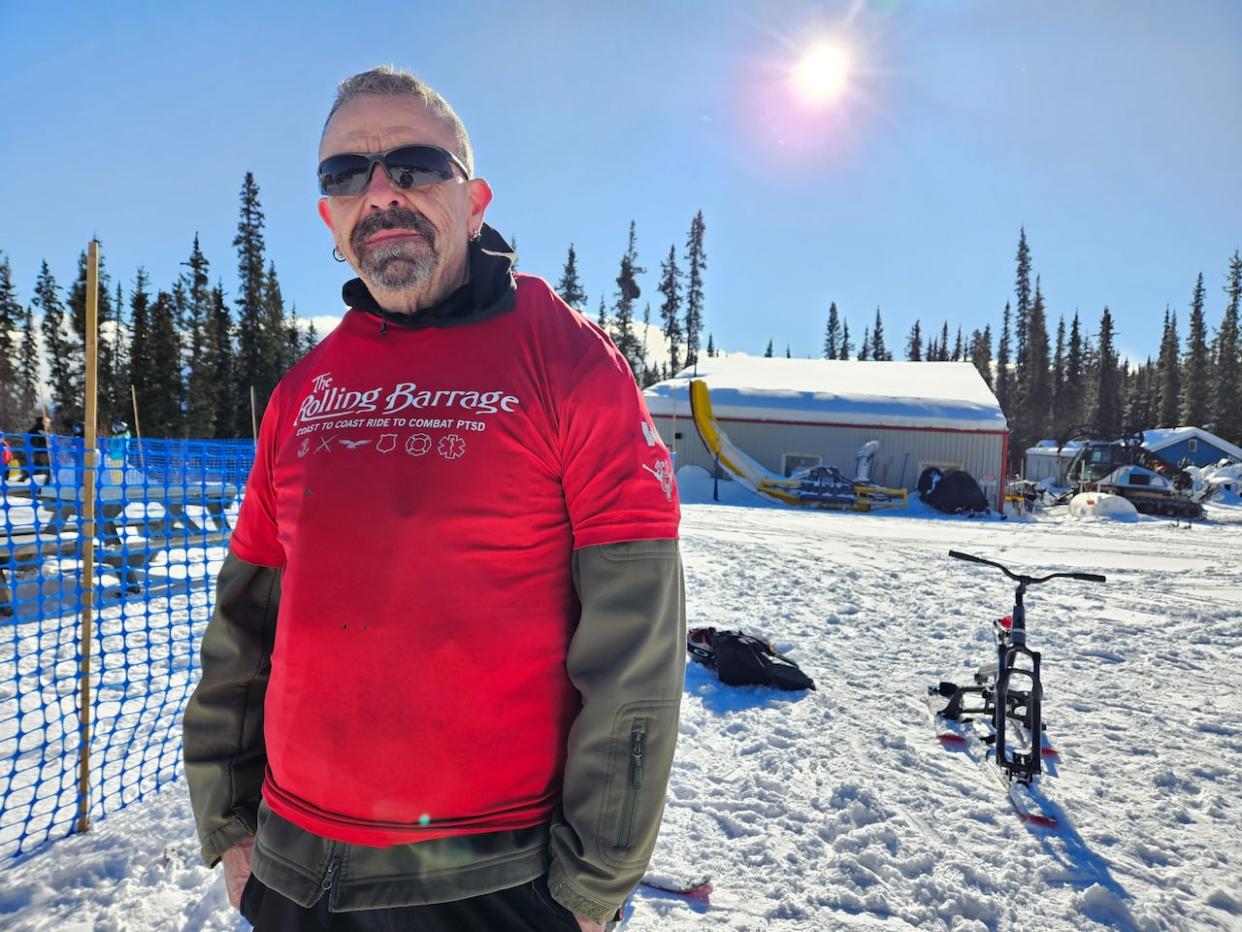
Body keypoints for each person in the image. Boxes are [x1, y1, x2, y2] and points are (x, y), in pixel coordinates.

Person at [183, 66, 685, 932]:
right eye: (347, 175)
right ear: (329, 220)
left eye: (414, 166)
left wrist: (591, 884)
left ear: (476, 199)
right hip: (296, 872)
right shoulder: (303, 391)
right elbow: (243, 627)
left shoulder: (565, 360)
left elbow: (635, 645)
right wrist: (231, 824)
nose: (380, 193)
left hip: (488, 880)